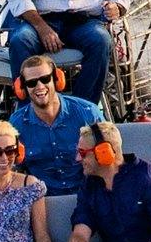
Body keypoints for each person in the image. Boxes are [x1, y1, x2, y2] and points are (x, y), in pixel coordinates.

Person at [9, 58, 95, 192]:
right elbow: (11, 170)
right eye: (31, 83)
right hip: (42, 201)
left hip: (88, 196)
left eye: (45, 79)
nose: (39, 86)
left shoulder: (88, 113)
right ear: (22, 88)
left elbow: (111, 160)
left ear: (56, 79)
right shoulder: (16, 124)